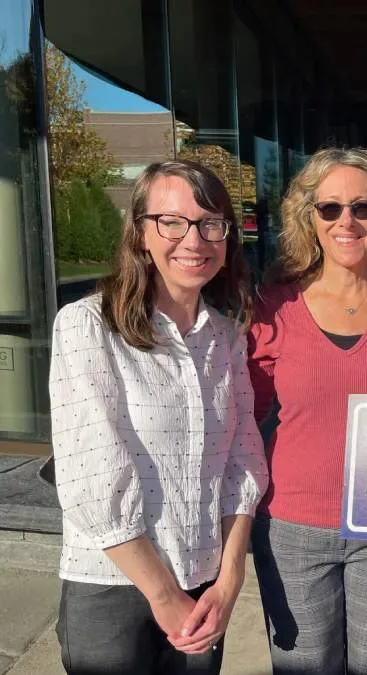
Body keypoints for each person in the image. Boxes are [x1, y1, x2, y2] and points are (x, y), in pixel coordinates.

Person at [49, 159, 269, 674]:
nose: (193, 240)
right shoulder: (88, 327)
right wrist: (164, 593)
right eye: (172, 222)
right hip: (114, 587)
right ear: (141, 233)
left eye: (210, 223)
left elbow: (243, 462)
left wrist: (231, 576)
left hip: (205, 580)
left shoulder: (226, 337)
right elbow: (92, 477)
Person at [247, 147, 367, 674]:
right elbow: (243, 420)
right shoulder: (273, 307)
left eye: (362, 207)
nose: (346, 221)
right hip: (291, 524)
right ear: (309, 218)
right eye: (329, 208)